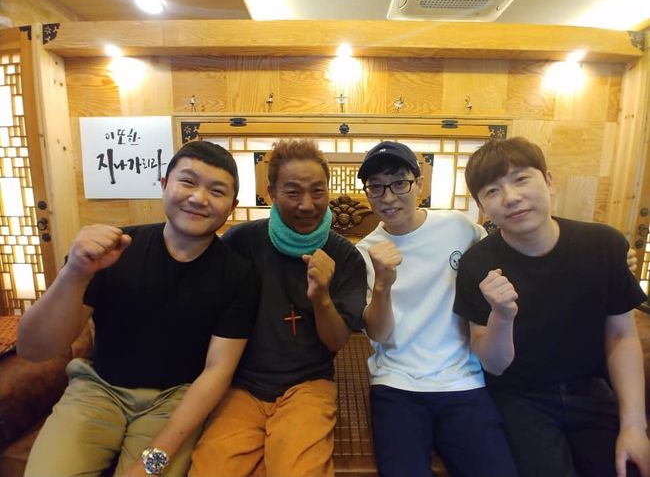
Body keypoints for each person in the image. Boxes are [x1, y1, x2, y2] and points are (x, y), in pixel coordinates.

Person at [17, 141, 258, 477]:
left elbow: (217, 372)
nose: (199, 198)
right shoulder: (115, 250)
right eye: (187, 182)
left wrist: (152, 463)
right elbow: (33, 349)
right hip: (96, 389)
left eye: (216, 191)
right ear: (164, 184)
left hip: (175, 401)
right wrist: (75, 273)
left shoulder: (239, 274)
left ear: (231, 207)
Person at [454, 136, 650, 477]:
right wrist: (502, 315)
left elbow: (622, 336)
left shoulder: (603, 245)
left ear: (548, 181)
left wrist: (634, 425)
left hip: (590, 388)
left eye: (521, 179)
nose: (511, 197)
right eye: (492, 191)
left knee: (627, 465)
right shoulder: (476, 264)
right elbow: (494, 364)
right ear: (482, 206)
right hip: (518, 397)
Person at [190, 139, 367, 477]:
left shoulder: (345, 256)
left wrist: (321, 296)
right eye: (293, 192)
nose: (307, 204)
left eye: (318, 191)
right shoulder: (241, 243)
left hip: (309, 384)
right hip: (242, 384)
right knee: (211, 468)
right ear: (271, 192)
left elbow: (336, 342)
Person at [355, 141, 519, 477]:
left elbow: (509, 250)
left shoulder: (459, 228)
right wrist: (383, 283)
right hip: (395, 382)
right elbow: (379, 335)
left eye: (399, 183)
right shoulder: (364, 253)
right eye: (376, 187)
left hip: (463, 380)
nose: (388, 197)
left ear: (419, 184)